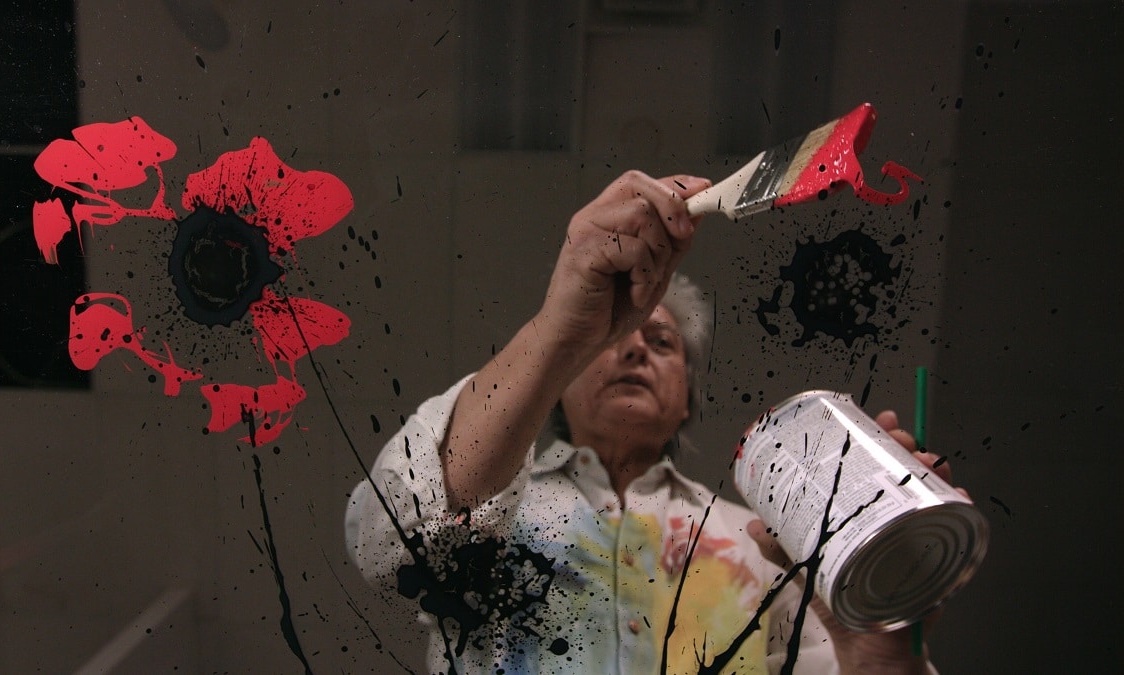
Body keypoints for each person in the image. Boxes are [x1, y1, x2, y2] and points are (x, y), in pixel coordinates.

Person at [346, 171, 953, 674]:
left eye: (660, 341)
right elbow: (390, 545)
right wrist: (563, 330)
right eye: (610, 341)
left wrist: (878, 640)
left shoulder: (769, 547)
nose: (634, 351)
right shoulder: (500, 517)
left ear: (687, 393)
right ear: (559, 386)